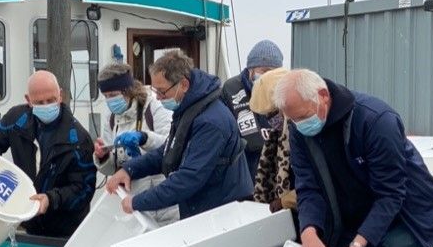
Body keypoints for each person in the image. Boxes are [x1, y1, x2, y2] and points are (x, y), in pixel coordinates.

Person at [275, 69, 433, 247]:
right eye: (293, 120)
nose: (300, 125)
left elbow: (391, 194)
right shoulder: (299, 131)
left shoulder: (377, 120)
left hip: (407, 217)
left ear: (323, 97)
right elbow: (308, 188)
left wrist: (359, 244)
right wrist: (308, 231)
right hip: (352, 216)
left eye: (303, 117)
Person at [105, 50, 253, 219]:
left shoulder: (210, 122)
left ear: (183, 84)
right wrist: (129, 170)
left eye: (162, 92)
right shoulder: (188, 109)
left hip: (220, 215)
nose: (158, 98)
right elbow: (169, 151)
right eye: (155, 91)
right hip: (200, 210)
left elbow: (189, 178)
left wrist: (138, 201)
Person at [0, 70, 96, 237]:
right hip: (30, 221)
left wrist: (51, 199)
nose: (46, 105)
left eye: (51, 100)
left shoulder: (78, 139)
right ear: (28, 100)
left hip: (66, 229)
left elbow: (83, 190)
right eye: (39, 102)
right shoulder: (16, 119)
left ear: (60, 96)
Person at [93, 63, 177, 224]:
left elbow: (172, 146)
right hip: (132, 201)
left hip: (163, 199)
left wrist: (144, 138)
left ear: (127, 90)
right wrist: (103, 157)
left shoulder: (154, 106)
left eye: (113, 94)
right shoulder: (111, 118)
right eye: (106, 96)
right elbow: (114, 168)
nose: (110, 100)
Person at [221, 40, 285, 180]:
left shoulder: (284, 93)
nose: (269, 76)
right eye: (264, 71)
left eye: (274, 72)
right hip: (244, 173)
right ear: (251, 70)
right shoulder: (232, 89)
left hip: (277, 173)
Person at [249, 67, 296, 213]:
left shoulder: (298, 133)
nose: (270, 119)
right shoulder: (277, 135)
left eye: (273, 112)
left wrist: (285, 201)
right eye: (267, 115)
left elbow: (313, 183)